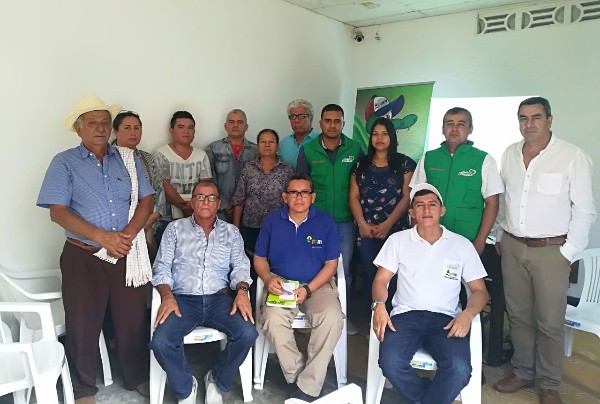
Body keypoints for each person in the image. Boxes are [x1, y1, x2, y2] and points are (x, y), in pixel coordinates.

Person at [37, 95, 155, 403]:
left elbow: (147, 199)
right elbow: (58, 212)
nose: (100, 128)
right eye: (92, 123)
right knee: (82, 324)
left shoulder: (127, 159)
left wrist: (127, 235)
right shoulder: (64, 162)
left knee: (132, 320)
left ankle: (137, 376)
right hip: (83, 255)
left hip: (126, 252)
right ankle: (83, 388)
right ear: (78, 129)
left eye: (105, 122)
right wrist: (102, 237)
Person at [492, 97, 596, 404]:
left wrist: (569, 252)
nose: (529, 124)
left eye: (536, 117)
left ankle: (549, 384)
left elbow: (585, 210)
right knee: (519, 316)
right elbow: (505, 199)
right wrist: (500, 234)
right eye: (523, 118)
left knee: (550, 321)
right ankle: (523, 371)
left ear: (549, 120)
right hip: (513, 247)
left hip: (552, 251)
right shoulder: (510, 153)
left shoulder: (572, 156)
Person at [372, 183, 489, 404]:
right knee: (391, 363)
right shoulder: (398, 241)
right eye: (420, 205)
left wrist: (467, 315)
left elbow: (480, 291)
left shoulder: (461, 245)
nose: (426, 210)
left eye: (432, 204)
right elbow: (380, 280)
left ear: (442, 210)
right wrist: (379, 304)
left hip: (447, 319)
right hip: (405, 316)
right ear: (411, 212)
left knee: (459, 370)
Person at [149, 179, 258, 404]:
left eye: (211, 197)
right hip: (182, 300)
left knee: (247, 333)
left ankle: (217, 379)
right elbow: (161, 267)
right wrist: (167, 296)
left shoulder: (231, 232)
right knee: (161, 341)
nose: (205, 201)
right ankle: (185, 387)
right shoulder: (174, 229)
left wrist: (241, 290)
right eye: (200, 196)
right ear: (192, 202)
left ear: (218, 203)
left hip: (220, 300)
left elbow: (241, 266)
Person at [254, 173, 344, 402]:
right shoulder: (272, 221)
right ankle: (298, 376)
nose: (299, 197)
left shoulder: (325, 222)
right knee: (272, 320)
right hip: (281, 283)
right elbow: (260, 258)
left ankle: (308, 387)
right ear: (285, 197)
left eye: (304, 192)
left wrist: (309, 289)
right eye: (293, 192)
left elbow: (331, 264)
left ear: (313, 197)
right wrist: (267, 278)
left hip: (317, 284)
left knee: (332, 319)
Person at [297, 103, 363, 335]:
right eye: (328, 121)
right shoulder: (308, 150)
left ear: (343, 123)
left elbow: (362, 184)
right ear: (320, 123)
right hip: (314, 222)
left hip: (345, 221)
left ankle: (341, 317)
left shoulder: (355, 149)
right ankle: (310, 315)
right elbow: (301, 186)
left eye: (337, 121)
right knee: (311, 268)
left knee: (344, 270)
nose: (332, 125)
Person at [410, 107, 503, 255]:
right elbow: (415, 199)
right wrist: (414, 236)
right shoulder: (429, 158)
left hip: (468, 241)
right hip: (430, 240)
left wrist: (480, 241)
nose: (454, 129)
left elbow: (492, 203)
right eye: (449, 124)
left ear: (470, 128)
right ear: (443, 129)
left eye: (461, 124)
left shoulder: (484, 160)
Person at [349, 117, 416, 311]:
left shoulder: (404, 163)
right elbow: (353, 196)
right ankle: (372, 318)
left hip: (395, 230)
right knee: (369, 273)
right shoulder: (360, 164)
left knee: (394, 276)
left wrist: (387, 225)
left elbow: (407, 197)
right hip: (367, 231)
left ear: (392, 137)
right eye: (375, 134)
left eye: (384, 134)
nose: (379, 138)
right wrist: (362, 224)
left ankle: (393, 317)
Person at [232, 129, 294, 302]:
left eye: (271, 141)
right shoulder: (248, 168)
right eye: (263, 142)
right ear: (257, 145)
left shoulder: (287, 170)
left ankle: (273, 302)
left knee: (275, 266)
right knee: (251, 266)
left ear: (277, 146)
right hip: (251, 226)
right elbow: (239, 199)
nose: (267, 145)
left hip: (279, 228)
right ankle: (251, 304)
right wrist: (236, 228)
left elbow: (292, 200)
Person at [112, 110, 166, 259]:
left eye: (137, 128)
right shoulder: (105, 158)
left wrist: (147, 221)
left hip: (147, 227)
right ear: (115, 132)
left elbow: (159, 193)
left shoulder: (147, 158)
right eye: (127, 128)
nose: (133, 132)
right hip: (116, 230)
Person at [153, 111, 212, 243]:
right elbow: (164, 185)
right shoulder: (161, 153)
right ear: (171, 131)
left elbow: (206, 185)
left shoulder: (202, 155)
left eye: (190, 128)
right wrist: (185, 207)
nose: (186, 131)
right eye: (181, 127)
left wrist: (193, 206)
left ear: (194, 132)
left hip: (196, 216)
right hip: (167, 218)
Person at [206, 109, 259, 222]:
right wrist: (224, 204)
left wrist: (240, 205)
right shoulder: (213, 148)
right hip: (219, 210)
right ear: (225, 126)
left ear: (246, 127)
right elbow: (209, 180)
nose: (235, 125)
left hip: (247, 211)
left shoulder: (256, 150)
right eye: (231, 122)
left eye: (240, 122)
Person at [279, 99, 319, 169]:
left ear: (311, 118)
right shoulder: (283, 144)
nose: (297, 120)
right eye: (292, 116)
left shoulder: (321, 141)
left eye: (302, 116)